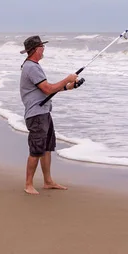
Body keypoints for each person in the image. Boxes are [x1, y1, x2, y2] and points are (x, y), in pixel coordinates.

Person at [19, 35, 79, 195]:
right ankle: (28, 184)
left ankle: (48, 181)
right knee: (36, 149)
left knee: (47, 148)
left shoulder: (33, 66)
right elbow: (47, 89)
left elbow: (47, 89)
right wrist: (67, 78)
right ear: (36, 50)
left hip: (44, 112)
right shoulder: (31, 67)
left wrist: (67, 87)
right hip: (36, 115)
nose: (44, 49)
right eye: (42, 47)